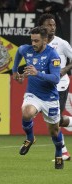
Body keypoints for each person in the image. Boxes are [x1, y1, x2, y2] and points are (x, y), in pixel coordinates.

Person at [12, 26, 64, 169]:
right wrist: (15, 70)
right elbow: (18, 51)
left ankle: (59, 152)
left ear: (45, 40)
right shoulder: (26, 49)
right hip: (33, 94)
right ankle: (30, 138)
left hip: (50, 98)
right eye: (32, 40)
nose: (33, 44)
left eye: (36, 41)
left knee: (54, 131)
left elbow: (55, 79)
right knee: (26, 112)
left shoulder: (53, 55)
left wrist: (37, 73)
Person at [38, 13, 72, 161]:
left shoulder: (62, 43)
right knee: (50, 119)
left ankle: (63, 152)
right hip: (45, 85)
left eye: (54, 25)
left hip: (60, 85)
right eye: (49, 25)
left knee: (54, 119)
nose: (52, 27)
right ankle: (64, 151)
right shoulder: (38, 43)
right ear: (42, 27)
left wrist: (65, 69)